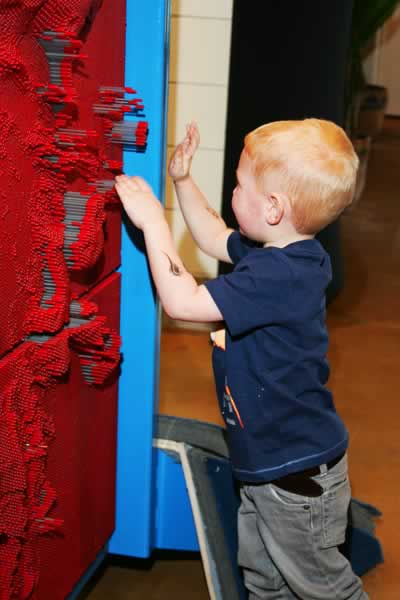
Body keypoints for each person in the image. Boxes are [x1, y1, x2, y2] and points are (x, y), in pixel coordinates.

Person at [115, 118, 368, 599]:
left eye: (239, 184)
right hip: (267, 468)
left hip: (297, 485)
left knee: (326, 591)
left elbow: (183, 304)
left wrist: (153, 224)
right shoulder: (280, 253)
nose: (232, 192)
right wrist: (182, 180)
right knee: (265, 583)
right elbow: (213, 235)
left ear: (274, 208)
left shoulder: (278, 279)